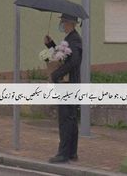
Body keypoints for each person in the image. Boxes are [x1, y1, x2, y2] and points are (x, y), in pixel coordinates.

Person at [44, 13, 82, 163]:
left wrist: (55, 75)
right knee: (70, 119)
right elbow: (62, 57)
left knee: (66, 119)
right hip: (70, 85)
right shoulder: (70, 39)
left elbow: (73, 62)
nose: (61, 24)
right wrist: (50, 44)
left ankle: (64, 153)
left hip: (69, 86)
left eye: (63, 21)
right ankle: (72, 152)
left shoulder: (74, 40)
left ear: (70, 23)